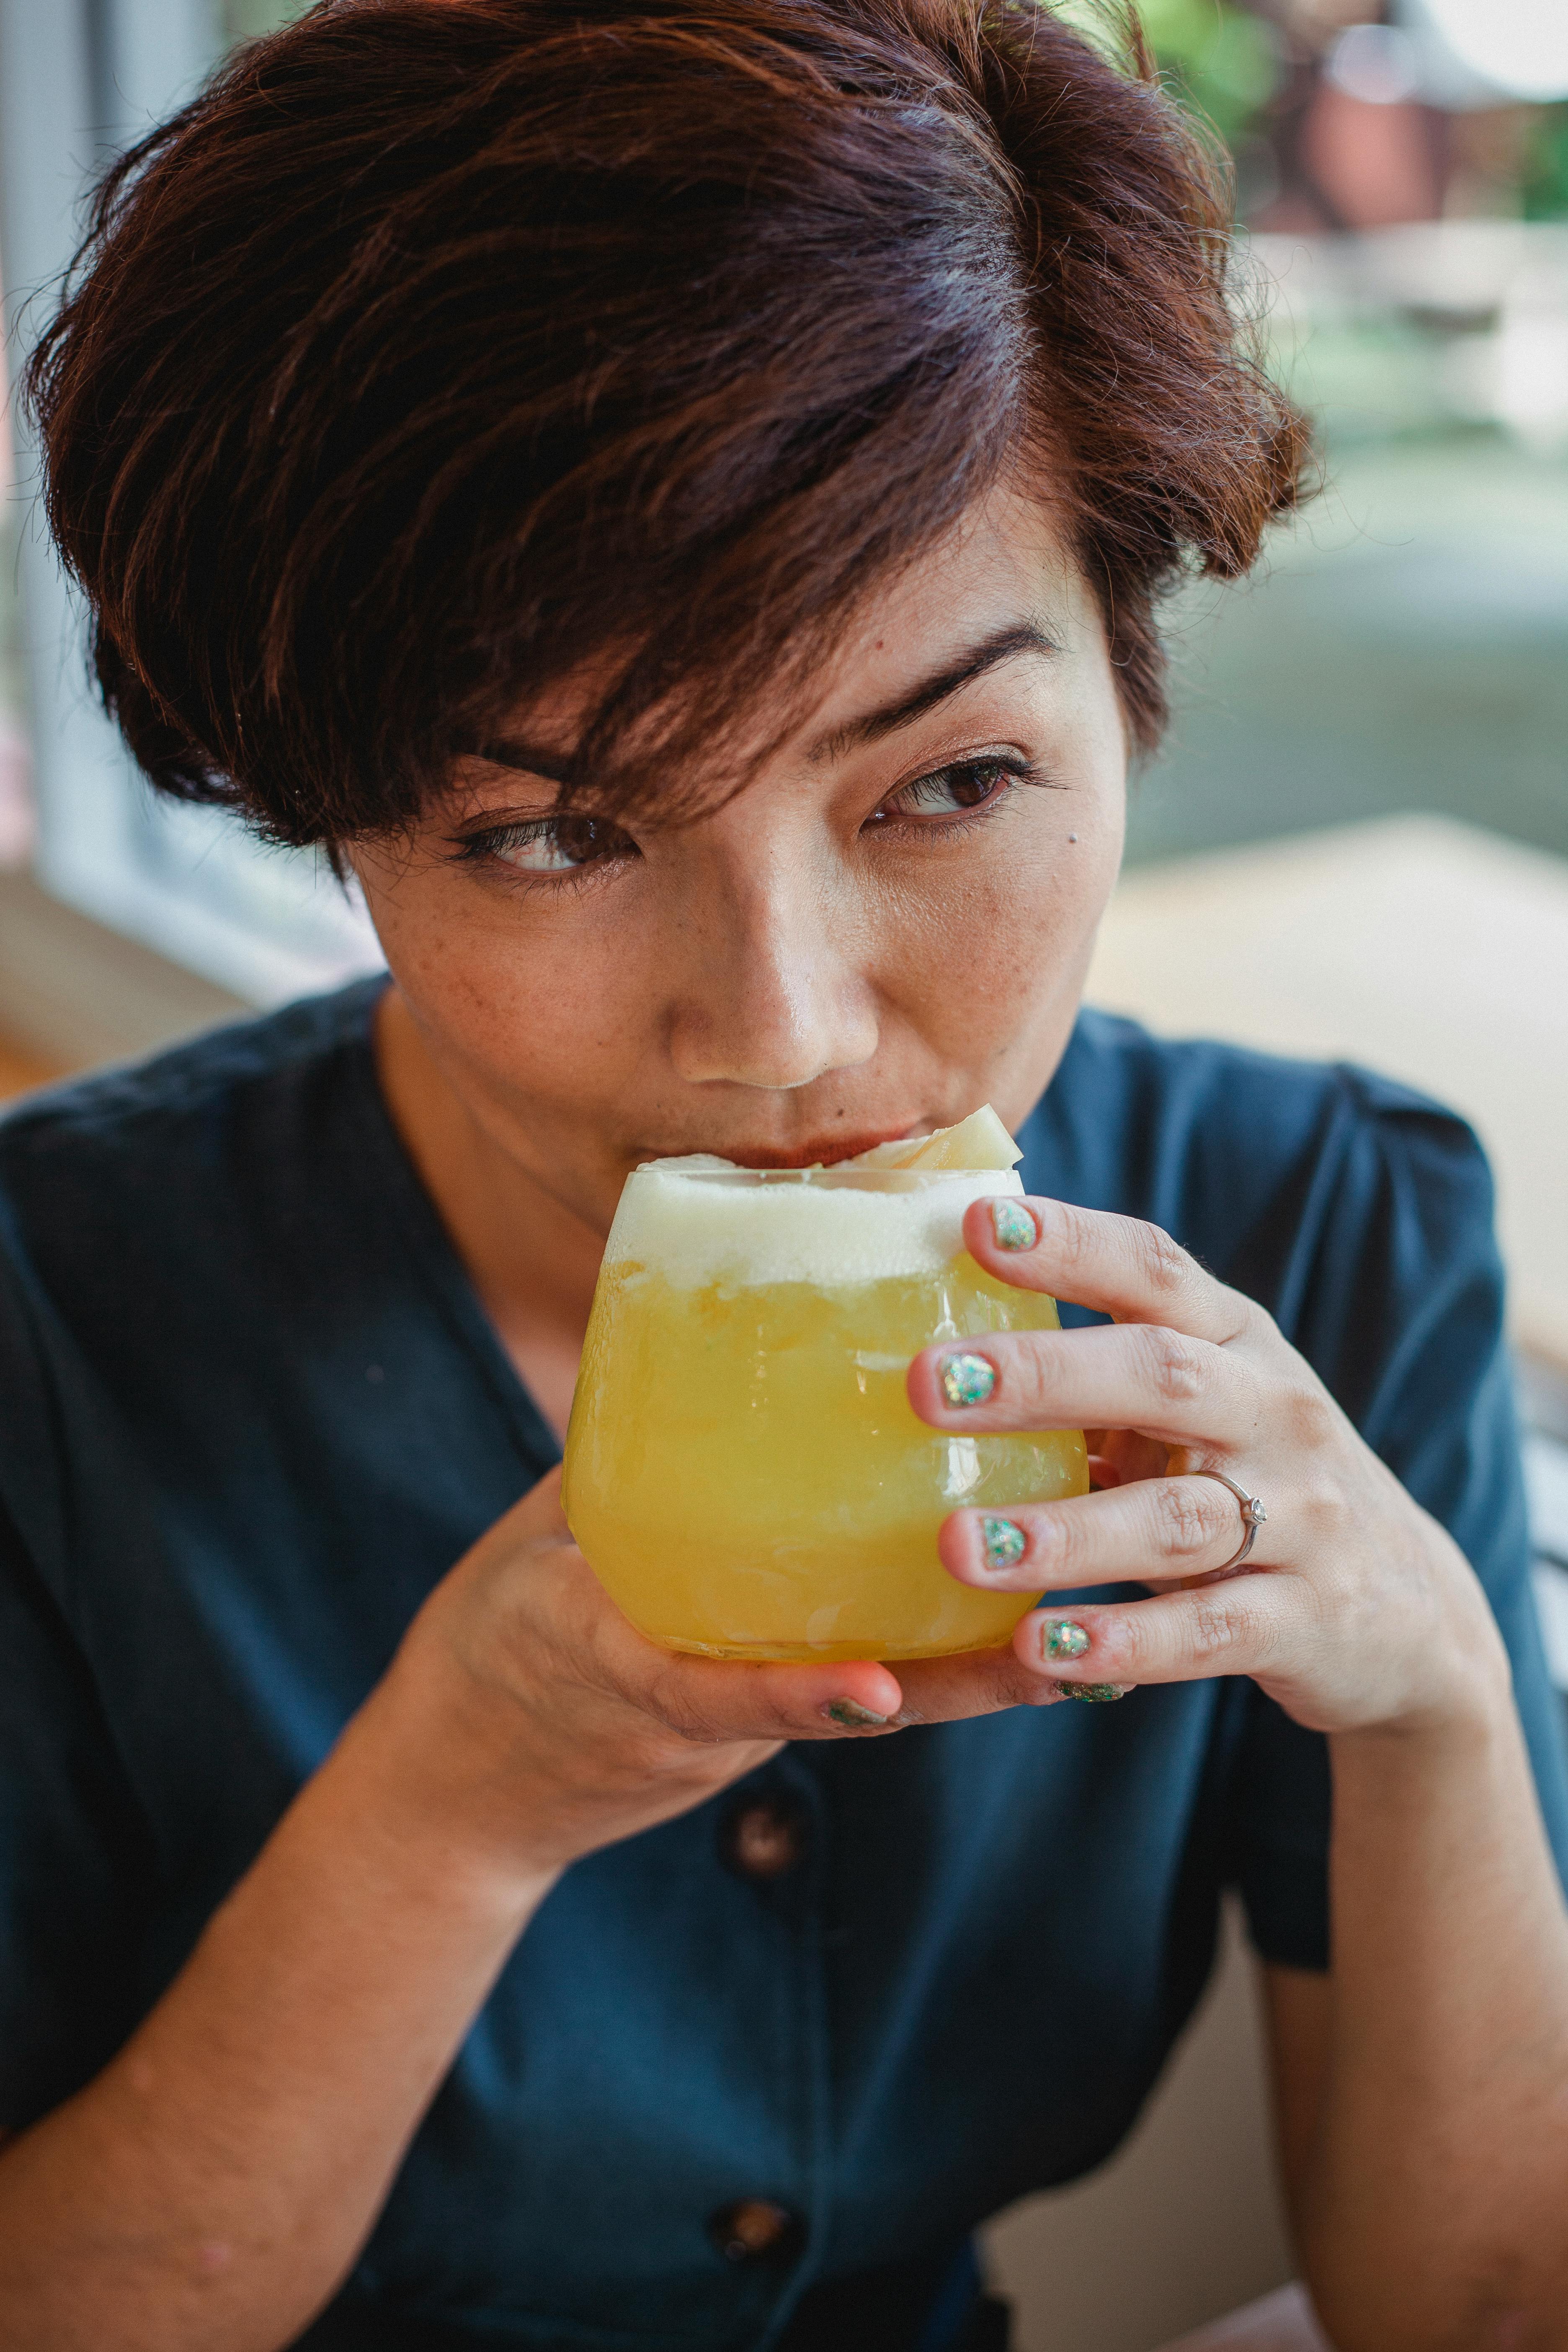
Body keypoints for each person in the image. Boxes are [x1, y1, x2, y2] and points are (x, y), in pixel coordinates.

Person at [3, 4, 1568, 2348]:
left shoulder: (1324, 1235)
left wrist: (1438, 1683)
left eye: (945, 785)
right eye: (550, 834)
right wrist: (450, 1809)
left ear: (1129, 691)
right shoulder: (53, 1335)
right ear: (324, 826)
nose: (788, 1031)